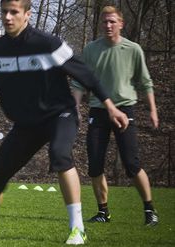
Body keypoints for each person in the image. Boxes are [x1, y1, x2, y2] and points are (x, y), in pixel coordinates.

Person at [0, 0, 129, 245]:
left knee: (61, 155)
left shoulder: (48, 43)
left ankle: (77, 229)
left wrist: (111, 106)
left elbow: (86, 75)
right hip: (26, 123)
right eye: (4, 12)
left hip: (60, 114)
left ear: (27, 15)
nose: (8, 17)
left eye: (14, 12)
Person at [71, 6, 159, 226]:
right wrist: (75, 107)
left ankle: (150, 210)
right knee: (95, 165)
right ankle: (103, 212)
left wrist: (152, 110)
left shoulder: (134, 49)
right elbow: (78, 81)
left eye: (112, 22)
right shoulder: (91, 50)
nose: (108, 26)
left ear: (121, 24)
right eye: (104, 22)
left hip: (125, 110)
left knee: (131, 163)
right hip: (98, 112)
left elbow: (145, 82)